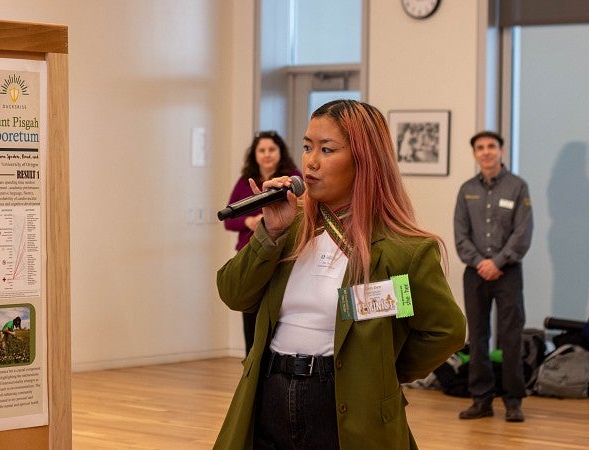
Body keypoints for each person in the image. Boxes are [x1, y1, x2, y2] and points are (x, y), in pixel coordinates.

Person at [215, 100, 466, 449]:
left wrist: (378, 373)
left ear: (364, 160)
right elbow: (233, 294)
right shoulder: (288, 228)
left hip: (342, 405)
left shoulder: (402, 250)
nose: (310, 161)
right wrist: (267, 234)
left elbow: (444, 331)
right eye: (306, 147)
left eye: (326, 149)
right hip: (268, 396)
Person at [454, 130, 533, 423]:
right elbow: (460, 235)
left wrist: (498, 262)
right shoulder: (466, 190)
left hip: (508, 272)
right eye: (480, 148)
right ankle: (481, 400)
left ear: (501, 151)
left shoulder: (518, 187)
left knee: (511, 337)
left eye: (491, 147)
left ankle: (513, 401)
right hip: (475, 274)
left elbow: (523, 233)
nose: (486, 152)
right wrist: (480, 263)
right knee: (477, 336)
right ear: (475, 153)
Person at [223, 130, 301, 356]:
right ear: (255, 155)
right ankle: (250, 362)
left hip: (282, 255)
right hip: (250, 255)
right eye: (262, 150)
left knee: (276, 315)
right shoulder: (244, 181)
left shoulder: (291, 178)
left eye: (271, 149)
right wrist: (250, 221)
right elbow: (229, 221)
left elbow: (303, 211)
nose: (267, 154)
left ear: (280, 152)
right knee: (250, 314)